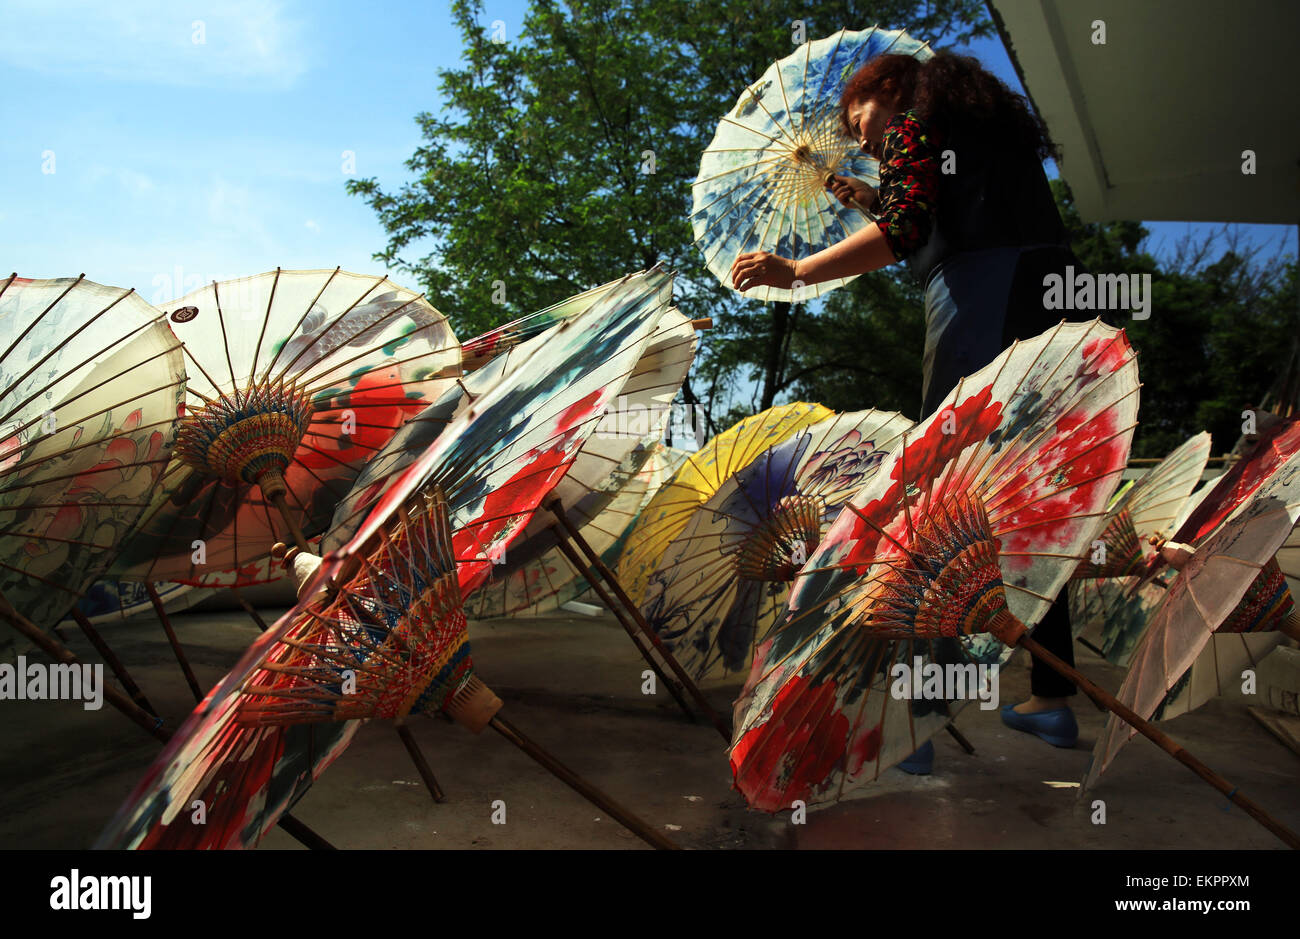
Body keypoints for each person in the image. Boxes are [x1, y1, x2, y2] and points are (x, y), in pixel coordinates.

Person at [730, 50, 1088, 769]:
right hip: (1048, 293)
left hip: (984, 296)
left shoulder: (917, 128)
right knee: (1027, 500)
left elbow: (904, 233)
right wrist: (861, 192)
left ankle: (914, 719)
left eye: (858, 119)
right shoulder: (972, 136)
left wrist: (796, 270)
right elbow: (923, 216)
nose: (859, 137)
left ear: (888, 90)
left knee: (939, 497)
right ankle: (1052, 699)